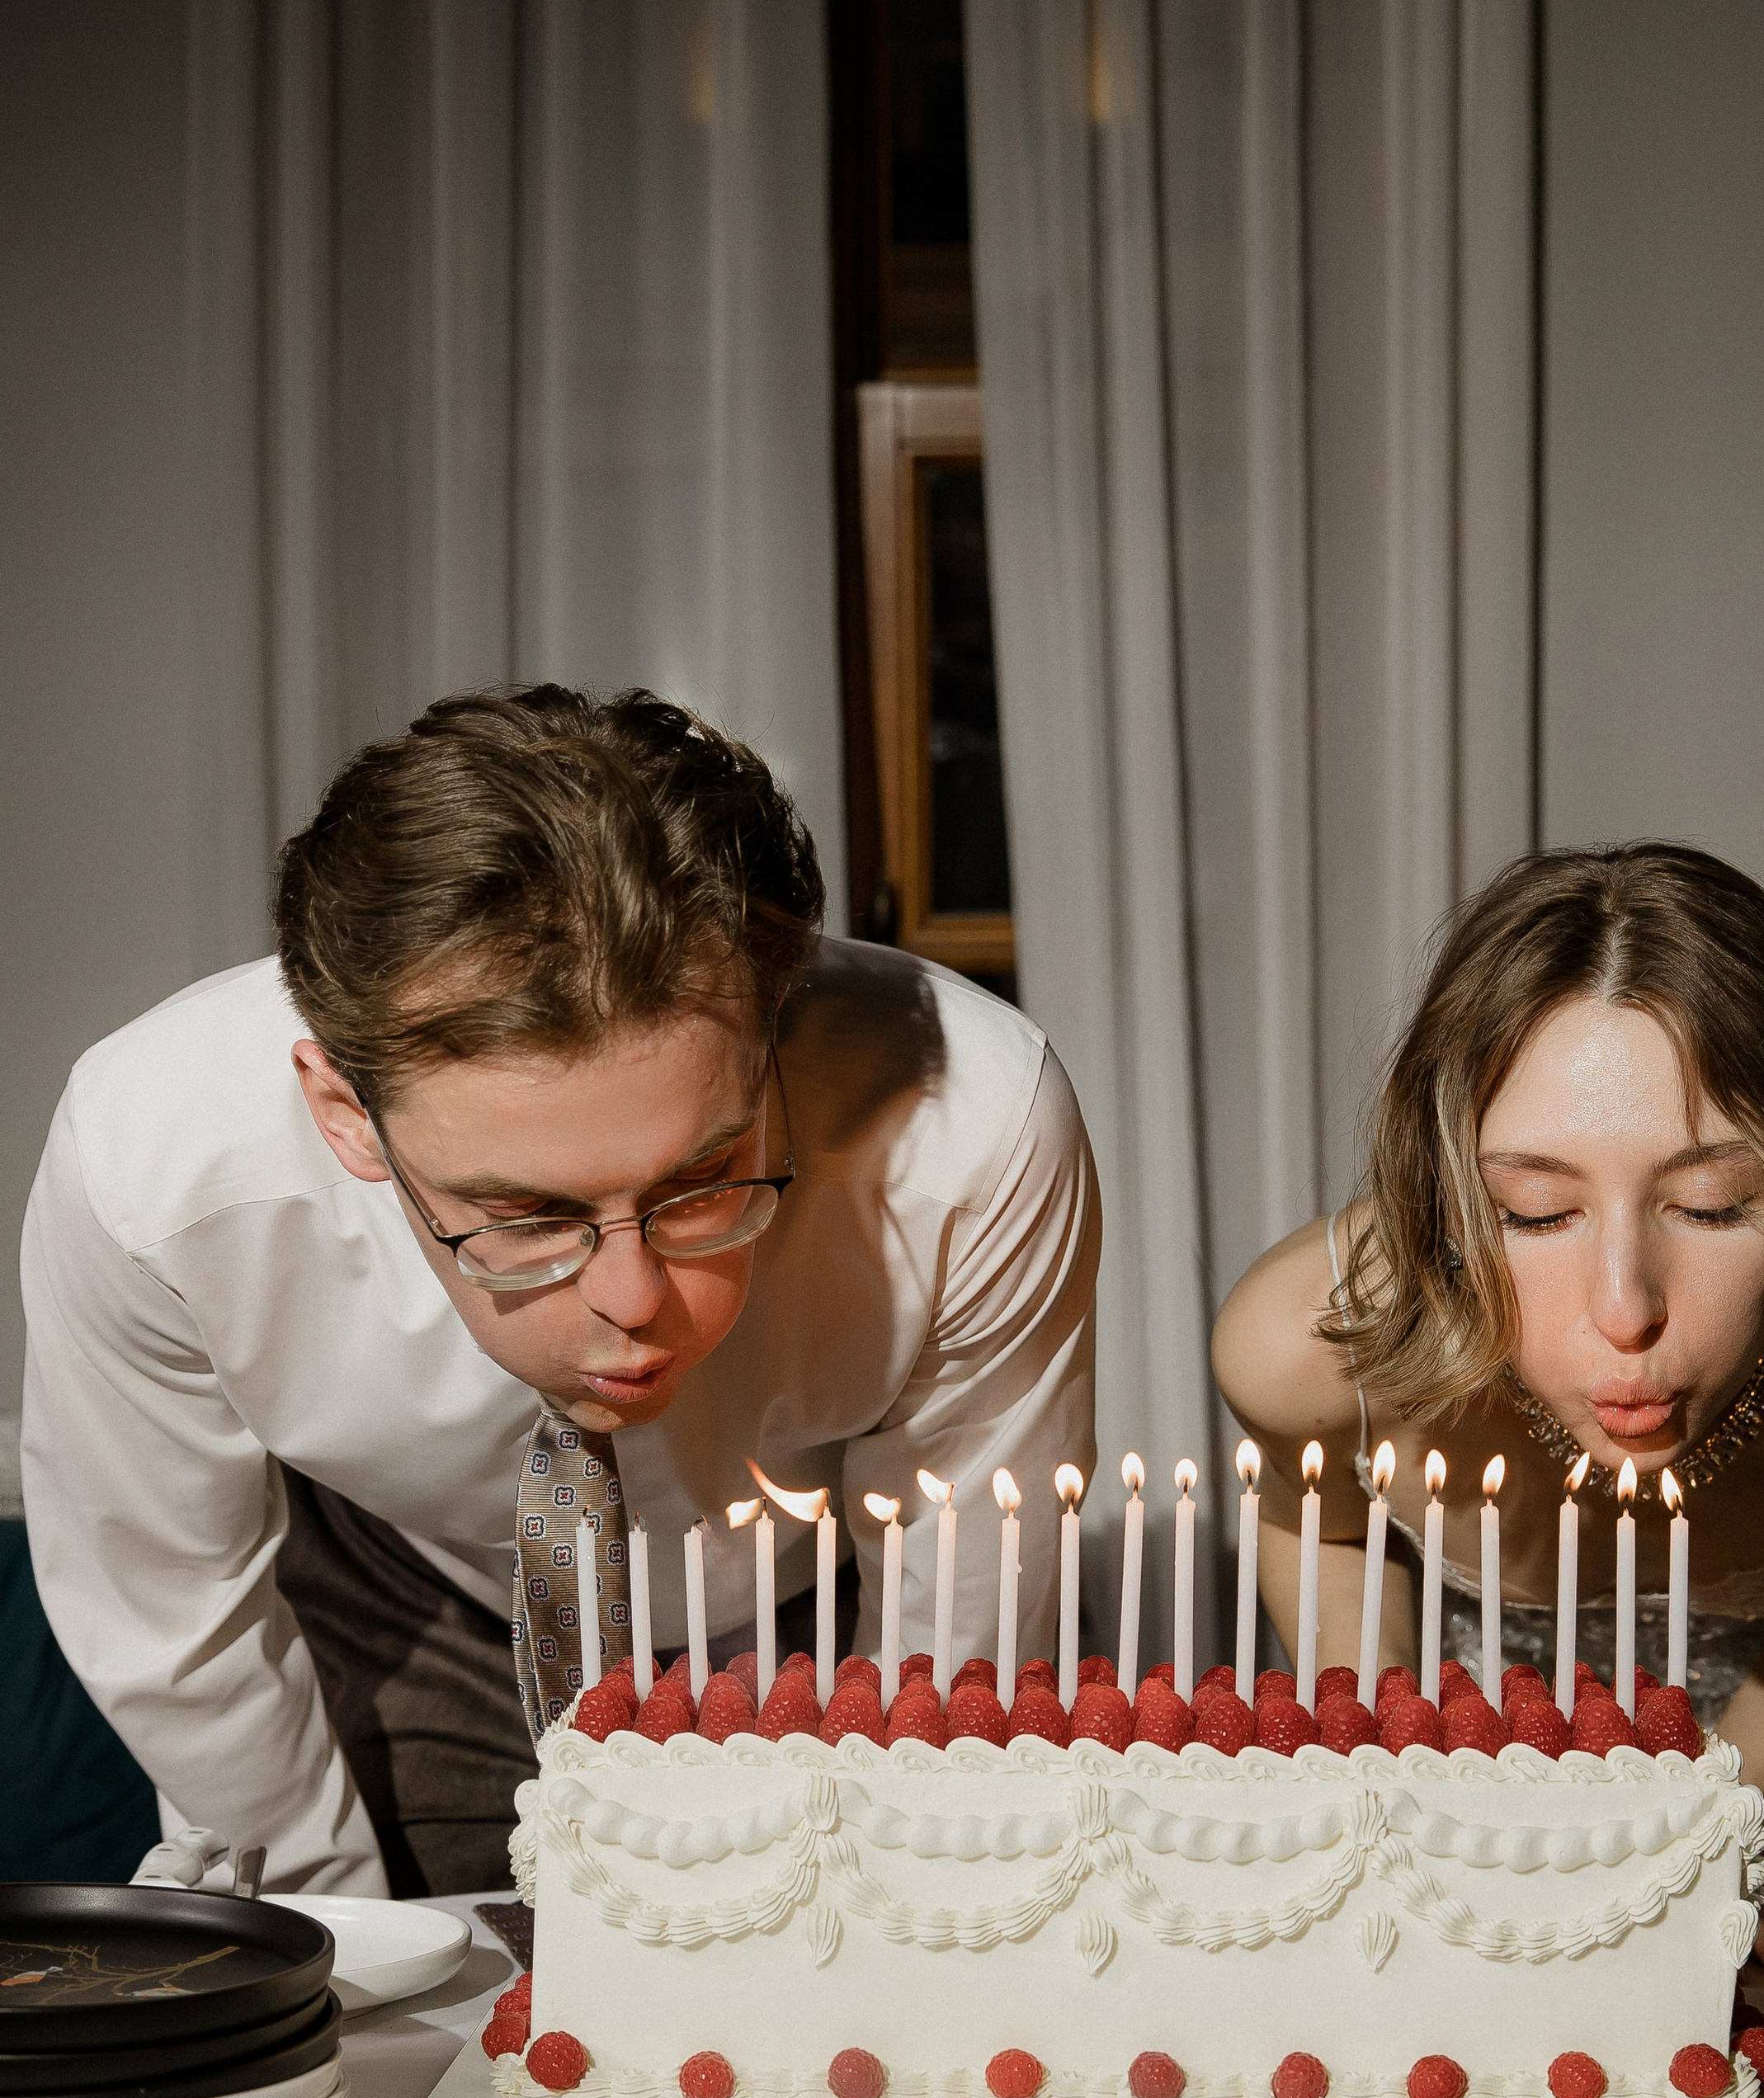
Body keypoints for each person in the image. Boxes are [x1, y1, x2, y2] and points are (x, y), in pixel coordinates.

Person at [21, 689, 1098, 1898]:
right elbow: (170, 1608)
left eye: (702, 1179)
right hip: (417, 1591)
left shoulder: (981, 1133)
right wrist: (337, 1942)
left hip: (819, 1582)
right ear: (345, 1115)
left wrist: (902, 1896)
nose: (634, 1298)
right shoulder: (149, 1170)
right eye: (528, 1216)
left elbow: (957, 1631)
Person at [1212, 844, 1764, 1995]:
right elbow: (1328, 1530)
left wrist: (1695, 1858)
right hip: (1473, 1756)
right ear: (1441, 1195)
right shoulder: (1305, 1347)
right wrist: (1392, 1761)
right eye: (1534, 1213)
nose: (1625, 1307)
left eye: (1710, 1204)